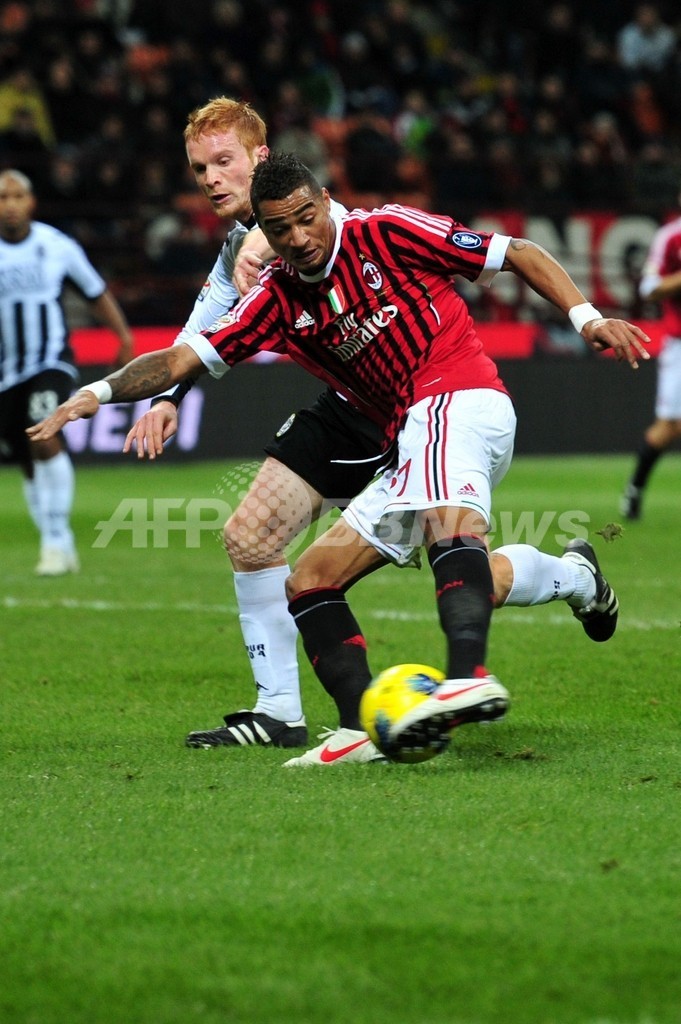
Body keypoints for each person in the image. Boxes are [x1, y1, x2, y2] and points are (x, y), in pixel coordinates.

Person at [27, 153, 650, 766]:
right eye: (280, 229)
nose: (299, 238)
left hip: (460, 397)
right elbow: (178, 359)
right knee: (312, 579)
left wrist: (587, 318)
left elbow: (518, 252)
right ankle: (371, 718)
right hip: (408, 435)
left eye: (307, 218)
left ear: (326, 201)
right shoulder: (274, 300)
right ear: (264, 232)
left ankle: (467, 677)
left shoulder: (386, 232)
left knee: (448, 525)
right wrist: (96, 393)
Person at [121, 97, 392, 751]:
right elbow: (200, 331)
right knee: (249, 537)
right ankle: (277, 712)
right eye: (200, 169)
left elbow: (330, 231)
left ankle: (568, 578)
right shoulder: (235, 248)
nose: (211, 179)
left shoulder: (310, 220)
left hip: (411, 413)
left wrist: (267, 239)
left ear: (261, 158)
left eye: (224, 161)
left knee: (468, 569)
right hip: (350, 412)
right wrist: (168, 397)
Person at [0, 168, 133, 576]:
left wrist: (123, 338)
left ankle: (55, 542)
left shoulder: (56, 246)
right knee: (25, 458)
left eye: (17, 196)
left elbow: (95, 292)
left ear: (31, 202)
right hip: (6, 372)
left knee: (44, 433)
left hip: (50, 360)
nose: (9, 205)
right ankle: (56, 542)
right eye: (2, 198)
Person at [620, 185, 681, 520]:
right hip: (680, 343)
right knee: (670, 425)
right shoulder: (671, 237)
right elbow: (648, 287)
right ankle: (635, 489)